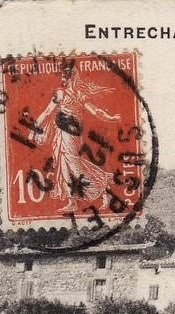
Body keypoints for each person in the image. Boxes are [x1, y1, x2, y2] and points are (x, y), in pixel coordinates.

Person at [30, 65, 120, 212]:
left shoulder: (79, 94)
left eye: (65, 76)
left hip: (72, 135)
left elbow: (95, 110)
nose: (63, 79)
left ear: (73, 77)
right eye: (62, 77)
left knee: (75, 167)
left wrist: (110, 117)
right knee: (62, 165)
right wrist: (35, 128)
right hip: (60, 133)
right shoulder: (59, 93)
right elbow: (47, 112)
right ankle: (72, 201)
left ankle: (104, 190)